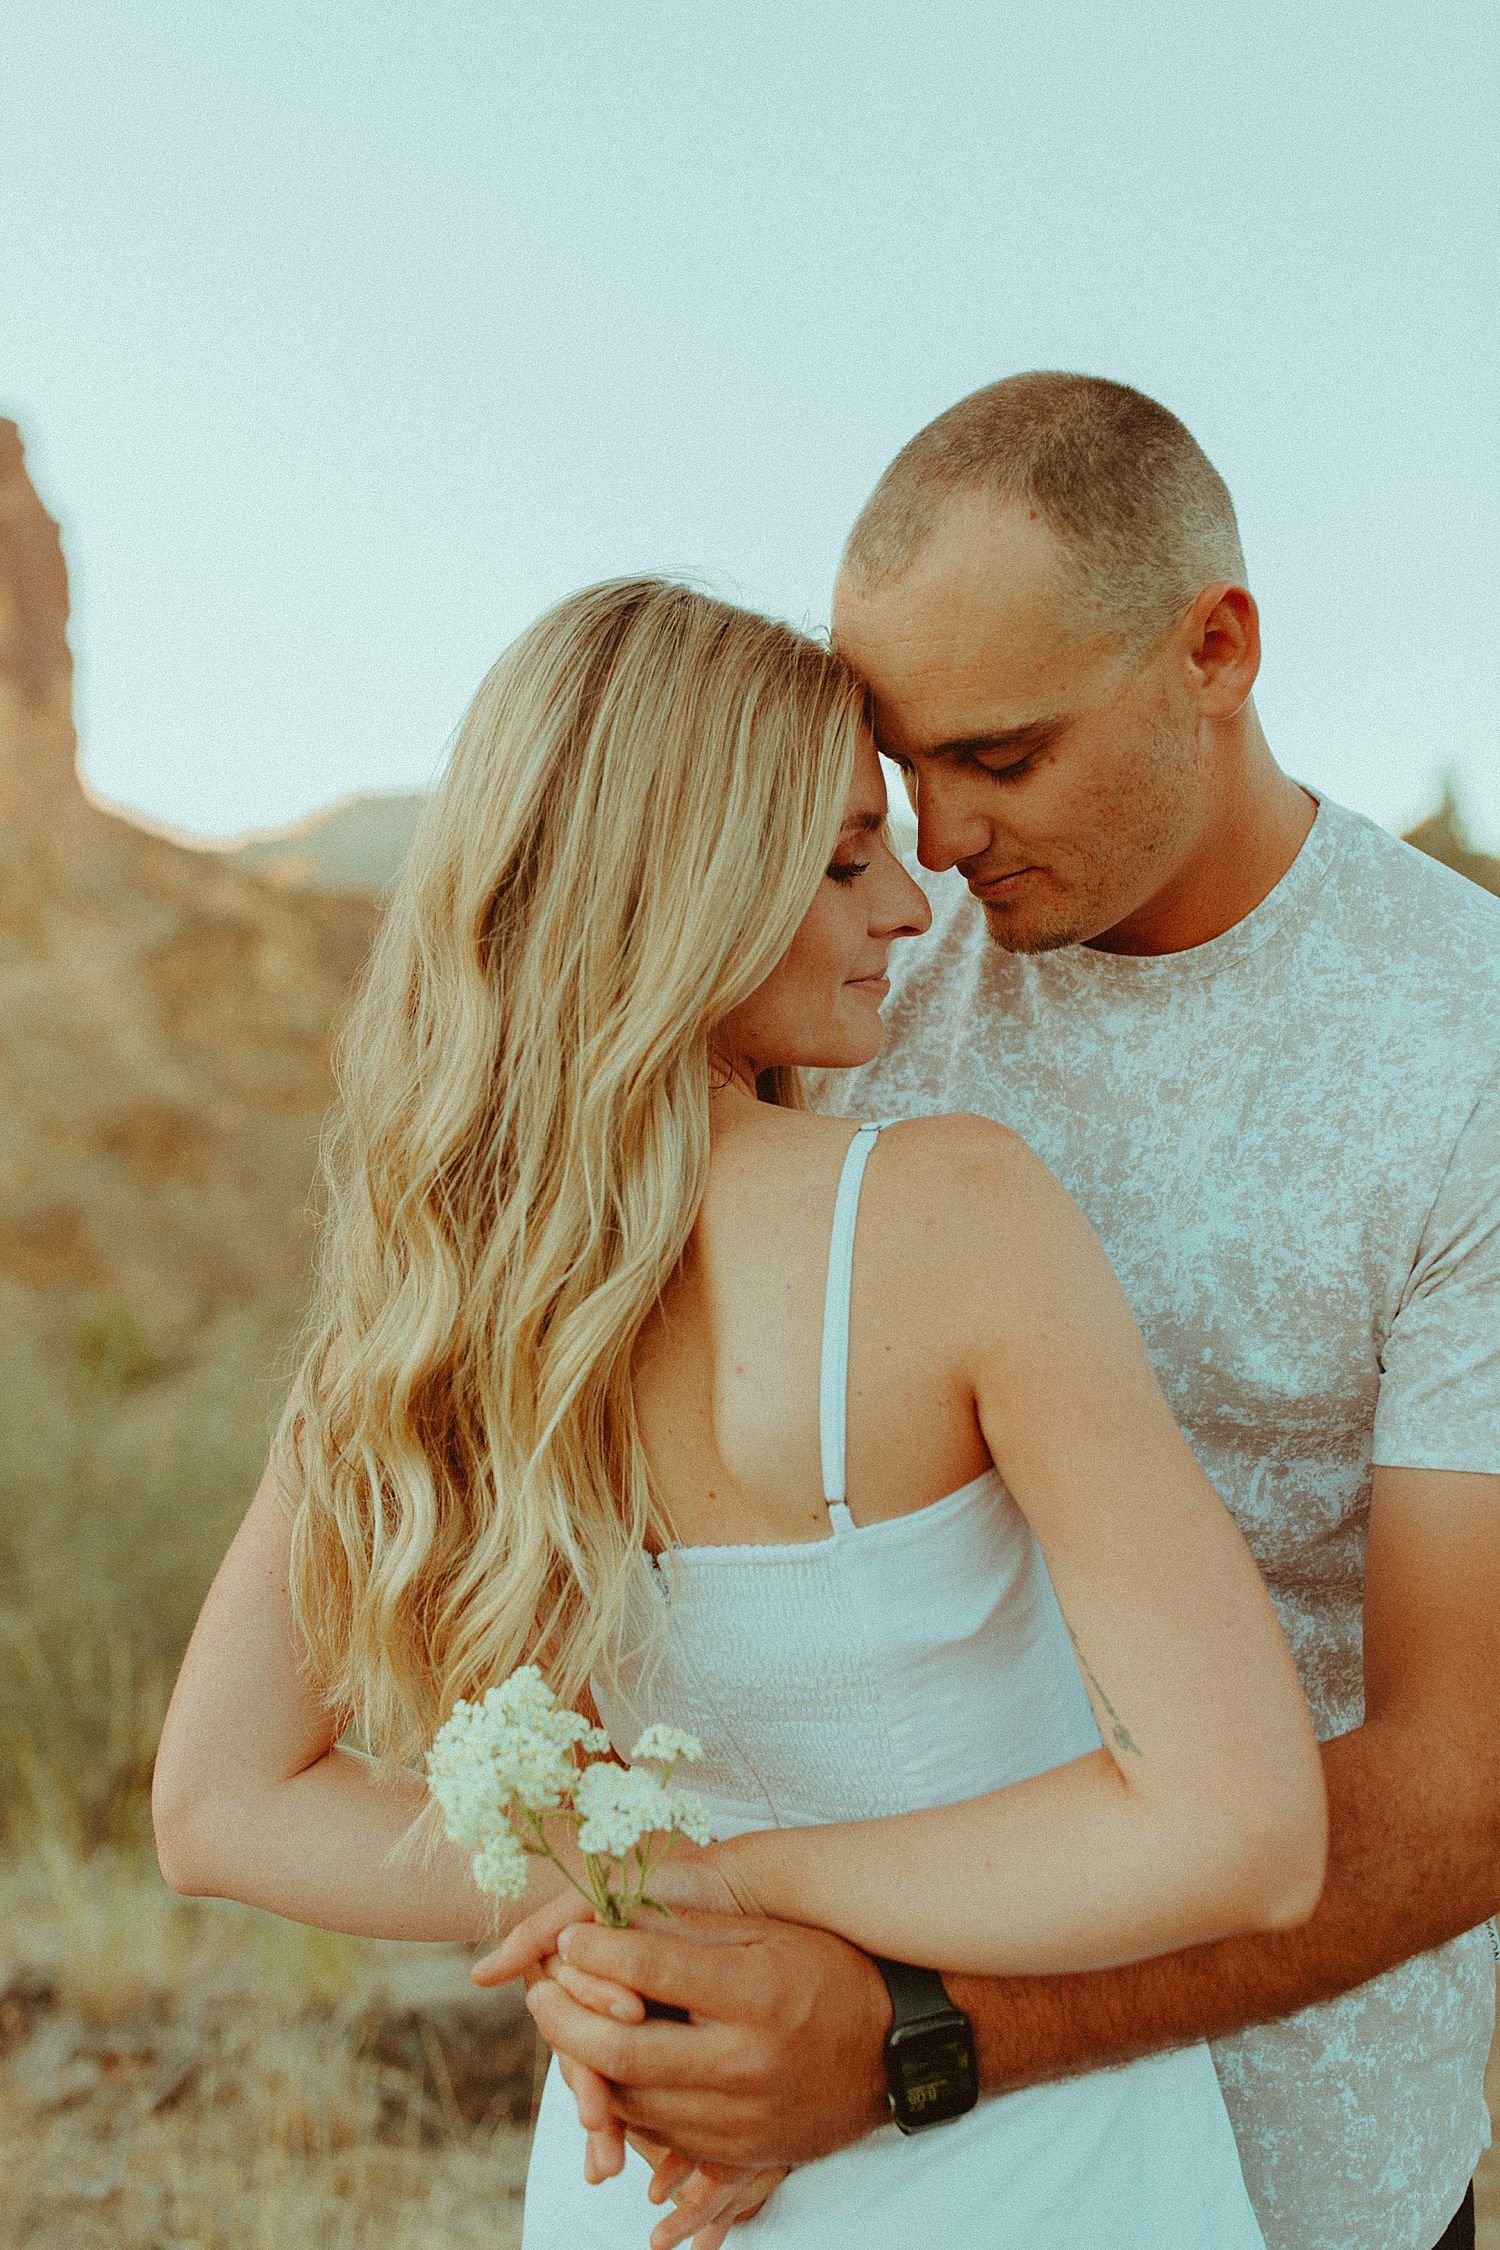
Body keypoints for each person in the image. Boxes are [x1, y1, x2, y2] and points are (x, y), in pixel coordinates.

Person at [150, 575, 1327, 2249]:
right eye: (846, 855)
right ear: (677, 884)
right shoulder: (947, 1214)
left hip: (640, 2173)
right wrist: (731, 1892)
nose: (913, 909)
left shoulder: (428, 1301)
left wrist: (628, 1907)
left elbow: (220, 1806)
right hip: (1026, 2179)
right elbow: (1249, 1832)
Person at [499, 376, 1500, 2250]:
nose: (939, 840)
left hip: (1309, 2158)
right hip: (803, 2157)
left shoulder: (1465, 1060)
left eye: (1006, 757)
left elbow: (1472, 1772)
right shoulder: (836, 958)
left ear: (1218, 646)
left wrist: (919, 2035)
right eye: (903, 766)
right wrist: (617, 1920)